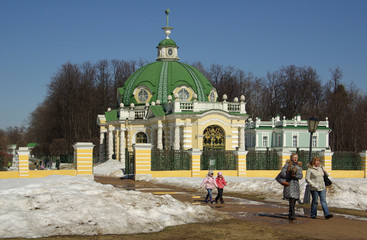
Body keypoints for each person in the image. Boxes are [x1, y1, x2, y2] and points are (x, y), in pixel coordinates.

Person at [276, 153, 303, 221]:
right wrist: (289, 175)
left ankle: (291, 213)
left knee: (294, 199)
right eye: (294, 157)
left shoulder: (298, 166)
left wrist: (296, 176)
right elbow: (282, 173)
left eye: (296, 157)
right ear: (291, 158)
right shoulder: (287, 165)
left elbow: (301, 175)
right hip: (289, 183)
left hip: (295, 184)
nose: (295, 159)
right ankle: (292, 214)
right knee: (291, 199)